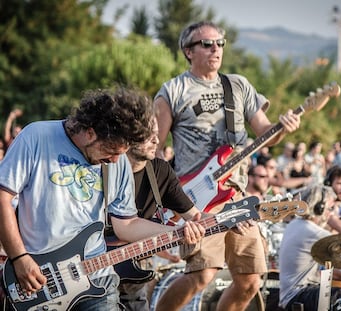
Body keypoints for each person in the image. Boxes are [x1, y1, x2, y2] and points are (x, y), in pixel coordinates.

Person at [0, 87, 205, 311]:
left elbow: (126, 225)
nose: (117, 160)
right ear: (90, 133)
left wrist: (175, 234)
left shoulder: (119, 164)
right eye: (112, 151)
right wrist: (19, 257)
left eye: (123, 152)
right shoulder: (36, 137)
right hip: (40, 278)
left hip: (97, 280)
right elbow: (2, 197)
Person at [153, 21, 301, 311]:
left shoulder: (238, 85)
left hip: (237, 196)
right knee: (201, 274)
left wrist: (283, 128)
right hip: (197, 199)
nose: (215, 49)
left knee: (251, 281)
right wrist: (171, 194)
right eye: (207, 44)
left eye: (220, 43)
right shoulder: (173, 90)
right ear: (188, 51)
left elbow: (266, 135)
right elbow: (154, 148)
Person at [118, 116, 202, 311]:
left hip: (133, 270)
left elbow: (195, 217)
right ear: (128, 136)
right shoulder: (104, 165)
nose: (157, 140)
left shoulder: (160, 170)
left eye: (157, 134)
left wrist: (232, 219)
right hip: (94, 269)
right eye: (149, 135)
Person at [278, 185, 341, 310]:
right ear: (319, 208)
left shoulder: (295, 224)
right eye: (330, 208)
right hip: (299, 295)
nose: (331, 214)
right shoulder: (313, 231)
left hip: (291, 295)